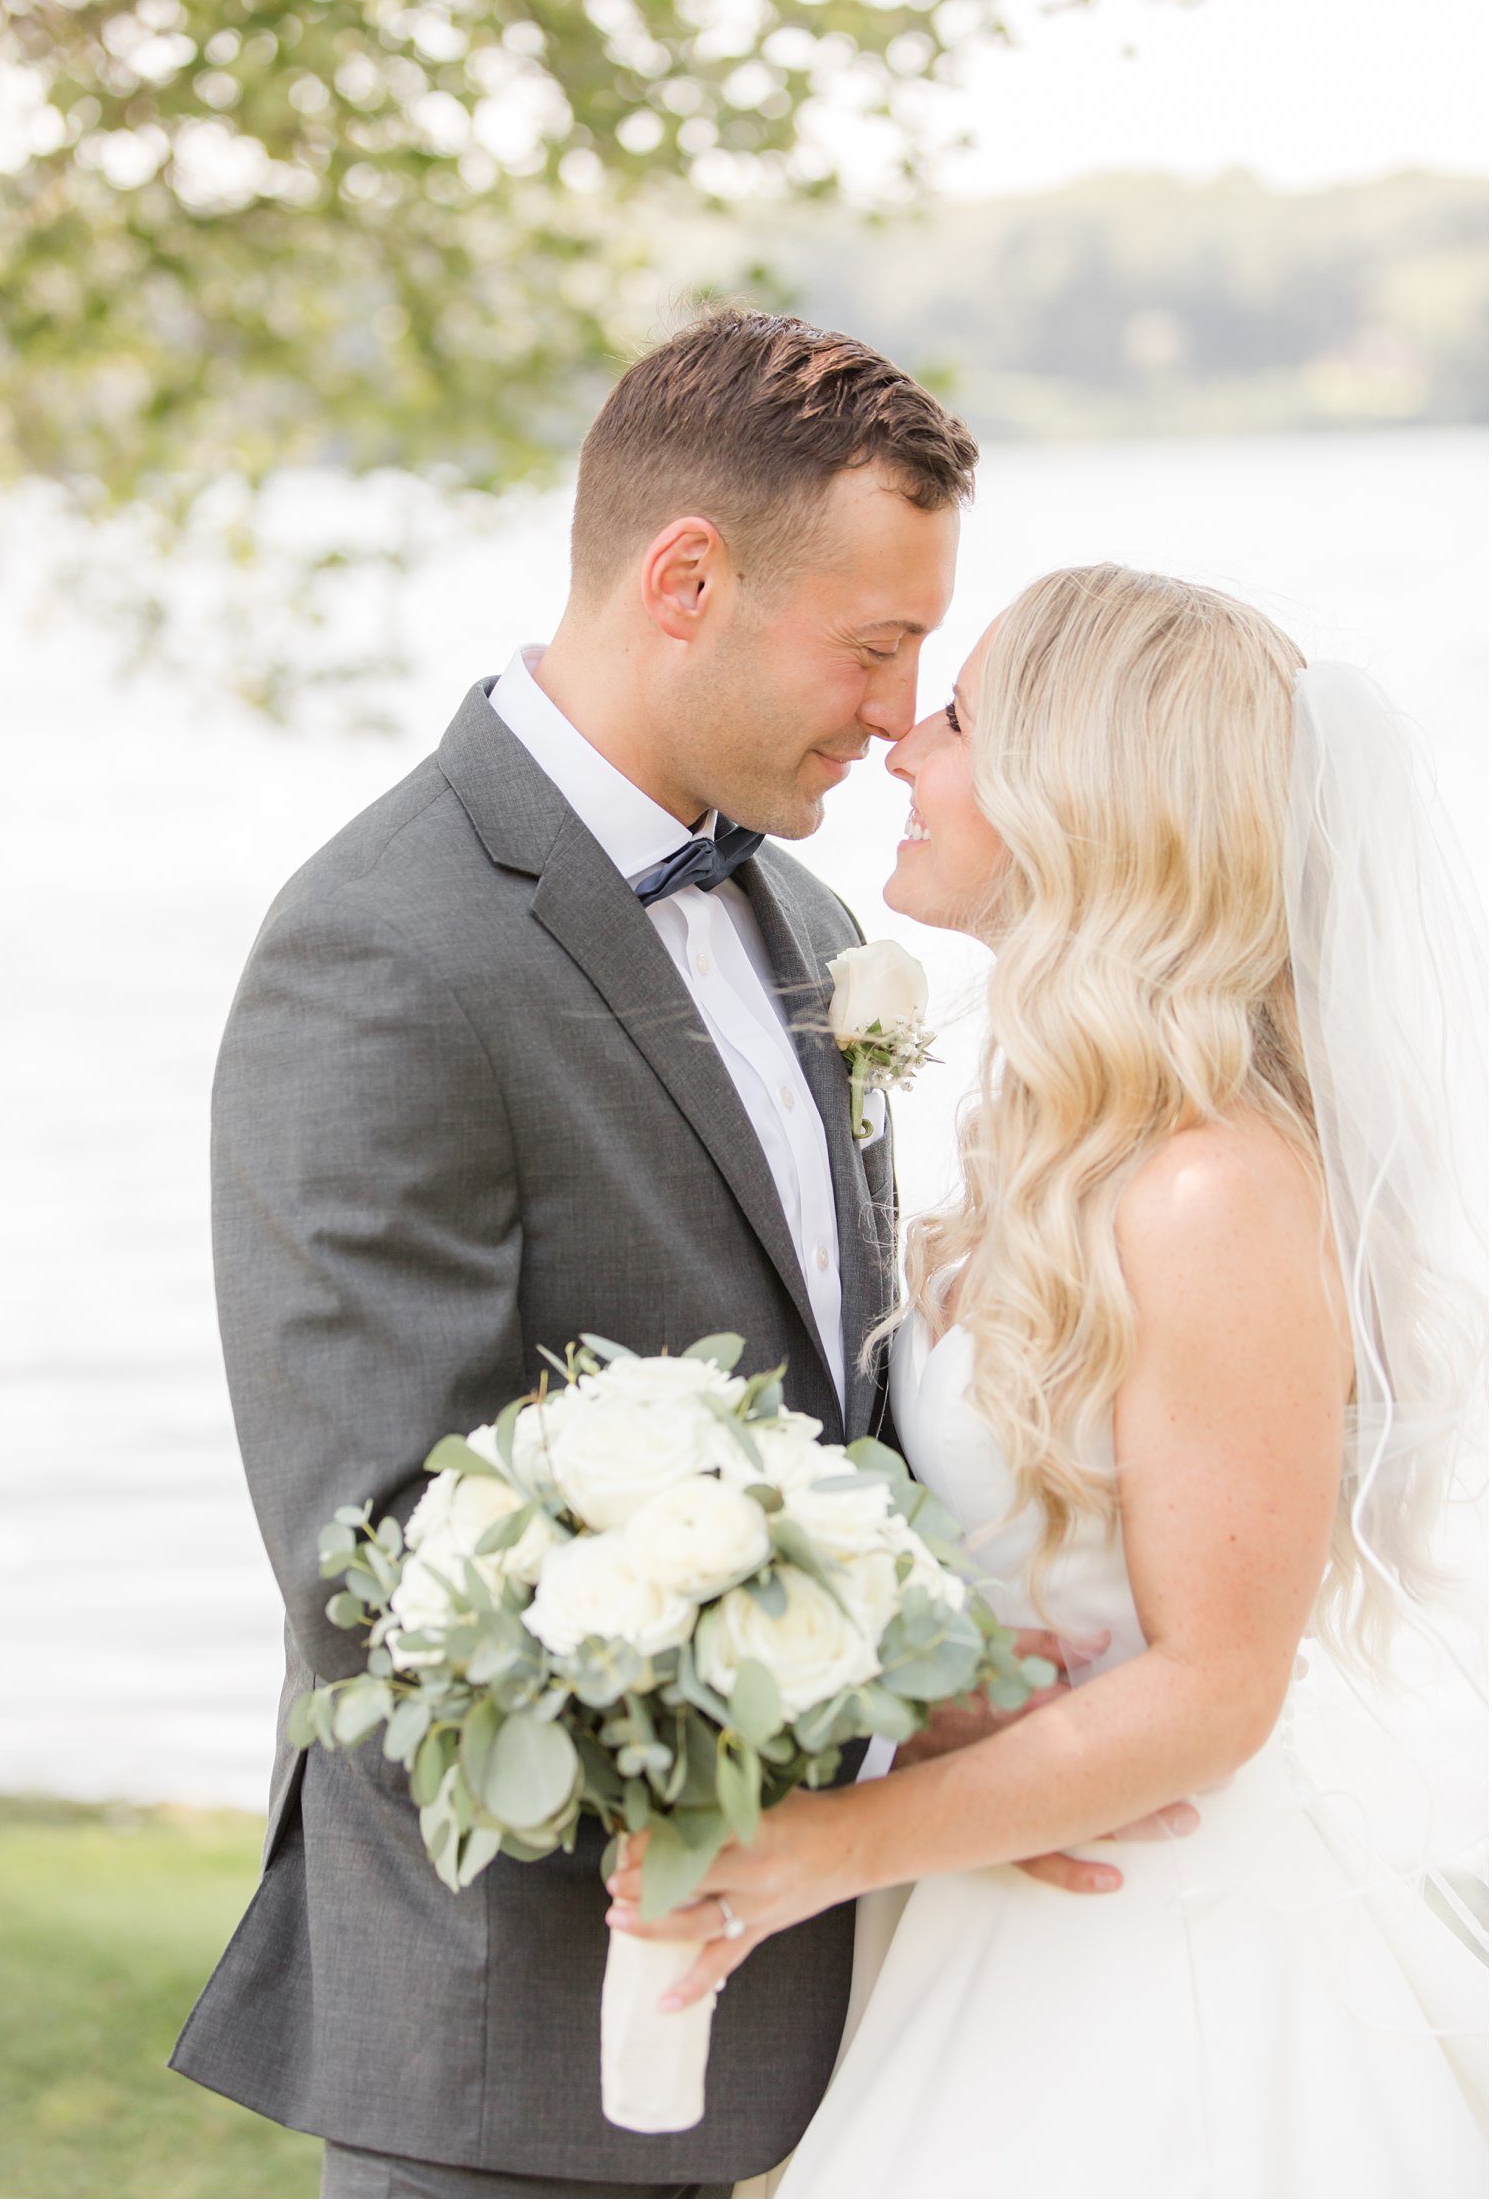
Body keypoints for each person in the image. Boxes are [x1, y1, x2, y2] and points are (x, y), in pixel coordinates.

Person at [169, 315, 1186, 2202]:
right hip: (539, 2041)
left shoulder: (802, 911)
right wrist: (916, 1715)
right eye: (877, 647)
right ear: (690, 579)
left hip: (867, 2017)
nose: (903, 716)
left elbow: (843, 1407)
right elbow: (377, 1560)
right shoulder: (383, 947)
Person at [608, 565, 1489, 2199]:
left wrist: (804, 1853)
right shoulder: (1073, 1153)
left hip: (1151, 1974)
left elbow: (1217, 1685)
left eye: (955, 718)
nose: (900, 747)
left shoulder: (1214, 1187)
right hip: (983, 1913)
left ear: (1076, 787)